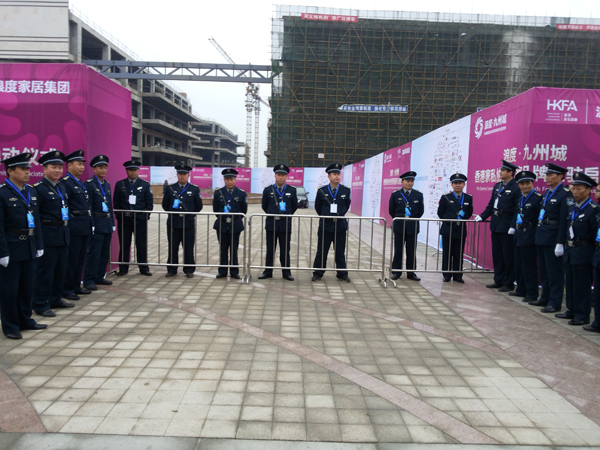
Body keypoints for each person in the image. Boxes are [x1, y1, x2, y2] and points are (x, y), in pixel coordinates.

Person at [0, 153, 46, 340]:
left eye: (28, 169)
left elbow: (36, 221)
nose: (27, 172)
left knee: (27, 286)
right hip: (11, 247)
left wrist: (39, 244)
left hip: (29, 245)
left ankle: (25, 319)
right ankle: (10, 325)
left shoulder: (31, 191)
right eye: (22, 169)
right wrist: (2, 252)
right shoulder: (3, 193)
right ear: (10, 171)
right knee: (10, 289)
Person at [32, 151, 74, 318]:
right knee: (45, 272)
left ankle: (55, 298)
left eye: (59, 167)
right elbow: (36, 216)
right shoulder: (39, 189)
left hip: (62, 234)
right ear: (44, 168)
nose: (57, 170)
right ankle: (40, 304)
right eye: (53, 167)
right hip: (48, 235)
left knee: (60, 270)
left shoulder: (61, 187)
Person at [557, 172, 599, 326]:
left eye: (579, 189)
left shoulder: (593, 209)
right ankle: (571, 309)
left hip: (584, 251)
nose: (575, 192)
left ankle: (582, 314)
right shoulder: (572, 207)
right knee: (570, 283)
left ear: (588, 190)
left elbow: (595, 234)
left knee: (582, 285)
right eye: (573, 188)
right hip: (570, 251)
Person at [475, 160, 520, 292]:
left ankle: (508, 282)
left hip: (507, 226)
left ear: (510, 172)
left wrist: (513, 225)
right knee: (497, 255)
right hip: (496, 224)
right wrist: (483, 216)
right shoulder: (497, 186)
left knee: (507, 256)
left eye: (503, 170)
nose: (500, 172)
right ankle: (498, 280)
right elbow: (491, 204)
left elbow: (517, 209)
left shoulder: (516, 187)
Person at [534, 163, 573, 312]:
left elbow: (564, 220)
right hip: (542, 234)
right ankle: (545, 297)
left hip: (553, 237)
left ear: (560, 176)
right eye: (547, 175)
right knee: (544, 270)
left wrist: (560, 242)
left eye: (551, 175)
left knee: (554, 272)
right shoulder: (547, 193)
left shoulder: (565, 194)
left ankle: (555, 302)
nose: (547, 177)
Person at [60, 150, 93, 300]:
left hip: (84, 226)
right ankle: (67, 289)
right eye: (78, 164)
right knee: (72, 260)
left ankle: (76, 286)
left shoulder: (79, 182)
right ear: (69, 165)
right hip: (74, 227)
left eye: (82, 164)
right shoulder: (65, 183)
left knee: (80, 259)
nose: (81, 167)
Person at [312, 163, 352, 282]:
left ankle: (342, 273)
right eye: (334, 174)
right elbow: (318, 207)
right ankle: (318, 273)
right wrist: (327, 216)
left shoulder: (345, 190)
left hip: (340, 225)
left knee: (340, 251)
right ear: (329, 176)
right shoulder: (322, 191)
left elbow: (346, 206)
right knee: (322, 250)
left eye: (338, 174)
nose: (337, 176)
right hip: (326, 225)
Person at [113, 160, 154, 276]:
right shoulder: (120, 184)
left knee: (141, 244)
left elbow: (149, 203)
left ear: (138, 171)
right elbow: (116, 202)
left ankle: (143, 268)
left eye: (135, 170)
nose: (133, 172)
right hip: (125, 220)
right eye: (130, 170)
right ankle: (123, 268)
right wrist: (119, 217)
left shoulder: (145, 184)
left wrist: (145, 216)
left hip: (139, 220)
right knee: (124, 244)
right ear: (126, 171)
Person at [162, 164, 203, 278]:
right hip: (173, 223)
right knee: (172, 247)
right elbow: (165, 205)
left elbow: (198, 206)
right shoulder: (170, 188)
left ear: (188, 175)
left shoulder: (194, 189)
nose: (182, 176)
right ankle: (172, 269)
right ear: (177, 175)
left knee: (188, 247)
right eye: (180, 174)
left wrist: (189, 215)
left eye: (184, 174)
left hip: (188, 223)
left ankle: (189, 269)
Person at [258, 164, 298, 281]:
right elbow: (264, 206)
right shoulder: (268, 190)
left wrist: (284, 216)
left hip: (285, 224)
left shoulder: (292, 190)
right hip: (271, 224)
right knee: (270, 249)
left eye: (283, 175)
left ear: (286, 177)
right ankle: (268, 271)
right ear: (275, 176)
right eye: (278, 175)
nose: (280, 177)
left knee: (285, 250)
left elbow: (294, 206)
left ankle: (286, 272)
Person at [508, 171, 543, 302]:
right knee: (519, 265)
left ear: (533, 183)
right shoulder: (520, 198)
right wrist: (512, 227)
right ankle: (521, 289)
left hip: (530, 235)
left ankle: (532, 293)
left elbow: (540, 218)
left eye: (527, 183)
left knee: (529, 266)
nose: (525, 186)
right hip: (519, 235)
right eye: (522, 184)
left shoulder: (538, 198)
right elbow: (517, 214)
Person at [82, 155, 115, 290]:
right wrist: (91, 224)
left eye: (105, 167)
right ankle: (89, 279)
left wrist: (112, 222)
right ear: (94, 169)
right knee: (94, 253)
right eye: (100, 167)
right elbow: (88, 206)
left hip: (106, 223)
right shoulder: (89, 185)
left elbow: (110, 205)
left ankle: (99, 276)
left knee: (104, 253)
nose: (103, 170)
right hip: (96, 222)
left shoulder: (107, 185)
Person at [437, 173, 473, 283]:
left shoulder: (468, 198)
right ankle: (447, 275)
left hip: (460, 230)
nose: (458, 185)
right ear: (452, 184)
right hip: (448, 229)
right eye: (455, 183)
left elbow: (469, 213)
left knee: (458, 253)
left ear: (464, 184)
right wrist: (450, 221)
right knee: (447, 253)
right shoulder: (446, 197)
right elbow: (440, 213)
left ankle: (458, 275)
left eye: (460, 183)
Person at [389, 171, 424, 281]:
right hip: (399, 226)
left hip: (412, 226)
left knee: (411, 251)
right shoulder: (396, 194)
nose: (410, 183)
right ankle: (396, 272)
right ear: (402, 182)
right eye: (407, 181)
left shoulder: (418, 195)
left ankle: (411, 272)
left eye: (412, 181)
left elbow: (421, 211)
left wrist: (411, 219)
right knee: (398, 250)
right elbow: (391, 210)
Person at [213, 169, 247, 279]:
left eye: (232, 179)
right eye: (227, 179)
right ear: (224, 180)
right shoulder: (218, 193)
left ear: (235, 179)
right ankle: (222, 271)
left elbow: (244, 210)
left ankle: (234, 271)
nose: (230, 181)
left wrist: (234, 219)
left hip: (235, 225)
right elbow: (215, 209)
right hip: (222, 225)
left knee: (234, 249)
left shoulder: (241, 193)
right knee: (223, 249)